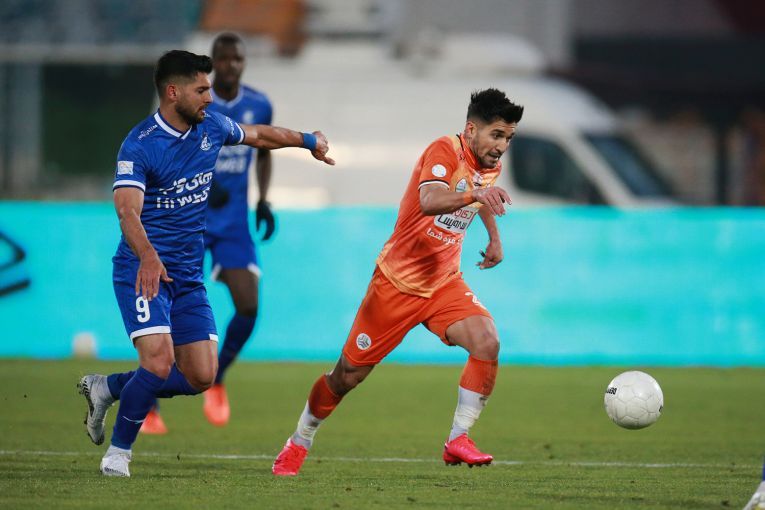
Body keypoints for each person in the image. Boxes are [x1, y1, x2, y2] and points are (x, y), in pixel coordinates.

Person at [77, 49, 333, 477]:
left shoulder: (211, 126)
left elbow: (259, 136)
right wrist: (148, 257)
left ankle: (107, 387)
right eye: (201, 90)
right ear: (172, 92)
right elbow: (127, 212)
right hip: (142, 272)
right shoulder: (139, 145)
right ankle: (118, 454)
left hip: (187, 275)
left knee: (201, 375)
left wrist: (308, 141)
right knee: (158, 363)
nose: (210, 98)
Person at [272, 88, 523, 476]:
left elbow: (479, 196)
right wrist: (478, 192)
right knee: (346, 376)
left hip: (443, 283)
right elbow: (430, 200)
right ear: (472, 130)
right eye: (497, 135)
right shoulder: (444, 150)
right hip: (396, 284)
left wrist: (494, 237)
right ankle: (300, 439)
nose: (502, 146)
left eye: (508, 137)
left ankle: (458, 439)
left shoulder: (489, 164)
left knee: (487, 341)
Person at [140, 33, 277, 434]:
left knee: (248, 305)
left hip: (233, 224)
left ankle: (217, 378)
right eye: (224, 58)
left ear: (244, 63)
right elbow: (167, 149)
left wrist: (263, 200)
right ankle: (148, 400)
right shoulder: (196, 103)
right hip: (188, 223)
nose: (231, 65)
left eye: (238, 58)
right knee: (166, 312)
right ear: (214, 63)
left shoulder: (259, 103)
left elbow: (264, 150)